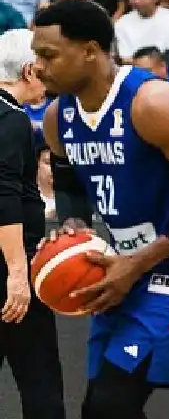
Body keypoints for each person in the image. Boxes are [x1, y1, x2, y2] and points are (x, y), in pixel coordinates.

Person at [34, 0, 169, 418]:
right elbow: (71, 185)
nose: (38, 67)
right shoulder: (59, 116)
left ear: (90, 50)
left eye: (49, 55)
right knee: (102, 407)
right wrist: (74, 226)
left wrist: (138, 262)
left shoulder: (152, 104)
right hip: (124, 264)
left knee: (111, 403)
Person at [0, 28, 65, 419]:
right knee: (40, 382)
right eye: (44, 63)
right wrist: (17, 272)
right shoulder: (10, 119)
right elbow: (4, 195)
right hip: (11, 266)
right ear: (28, 71)